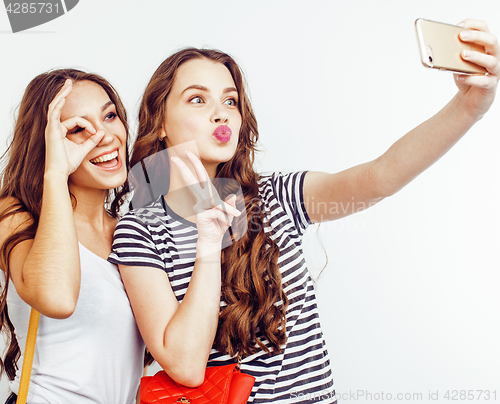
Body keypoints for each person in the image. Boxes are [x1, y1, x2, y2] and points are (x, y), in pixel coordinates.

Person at [109, 19, 499, 404]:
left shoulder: (276, 196)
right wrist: (209, 244)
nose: (221, 113)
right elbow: (185, 365)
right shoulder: (139, 231)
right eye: (198, 99)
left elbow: (380, 177)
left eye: (230, 100)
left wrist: (468, 108)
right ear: (159, 121)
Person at [0, 69, 145, 403]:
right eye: (79, 128)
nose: (105, 136)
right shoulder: (16, 216)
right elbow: (58, 299)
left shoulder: (133, 230)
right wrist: (55, 173)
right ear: (47, 142)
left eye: (110, 116)